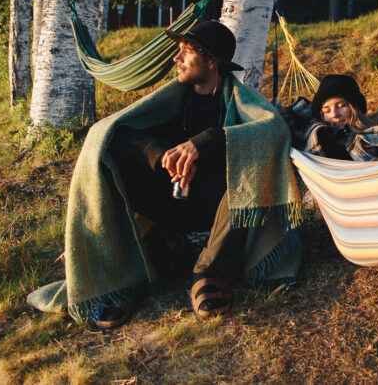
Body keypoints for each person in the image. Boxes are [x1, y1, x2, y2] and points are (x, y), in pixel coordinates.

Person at [28, 21, 301, 329]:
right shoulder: (170, 101)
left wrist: (204, 143)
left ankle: (205, 275)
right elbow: (111, 133)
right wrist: (163, 157)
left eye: (187, 51)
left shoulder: (242, 101)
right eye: (179, 50)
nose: (177, 58)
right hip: (169, 198)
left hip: (217, 206)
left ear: (212, 61)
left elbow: (274, 130)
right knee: (108, 145)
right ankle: (127, 277)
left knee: (250, 171)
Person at [302, 74, 378, 161]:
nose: (334, 114)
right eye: (327, 110)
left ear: (354, 108)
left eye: (341, 106)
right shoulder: (317, 139)